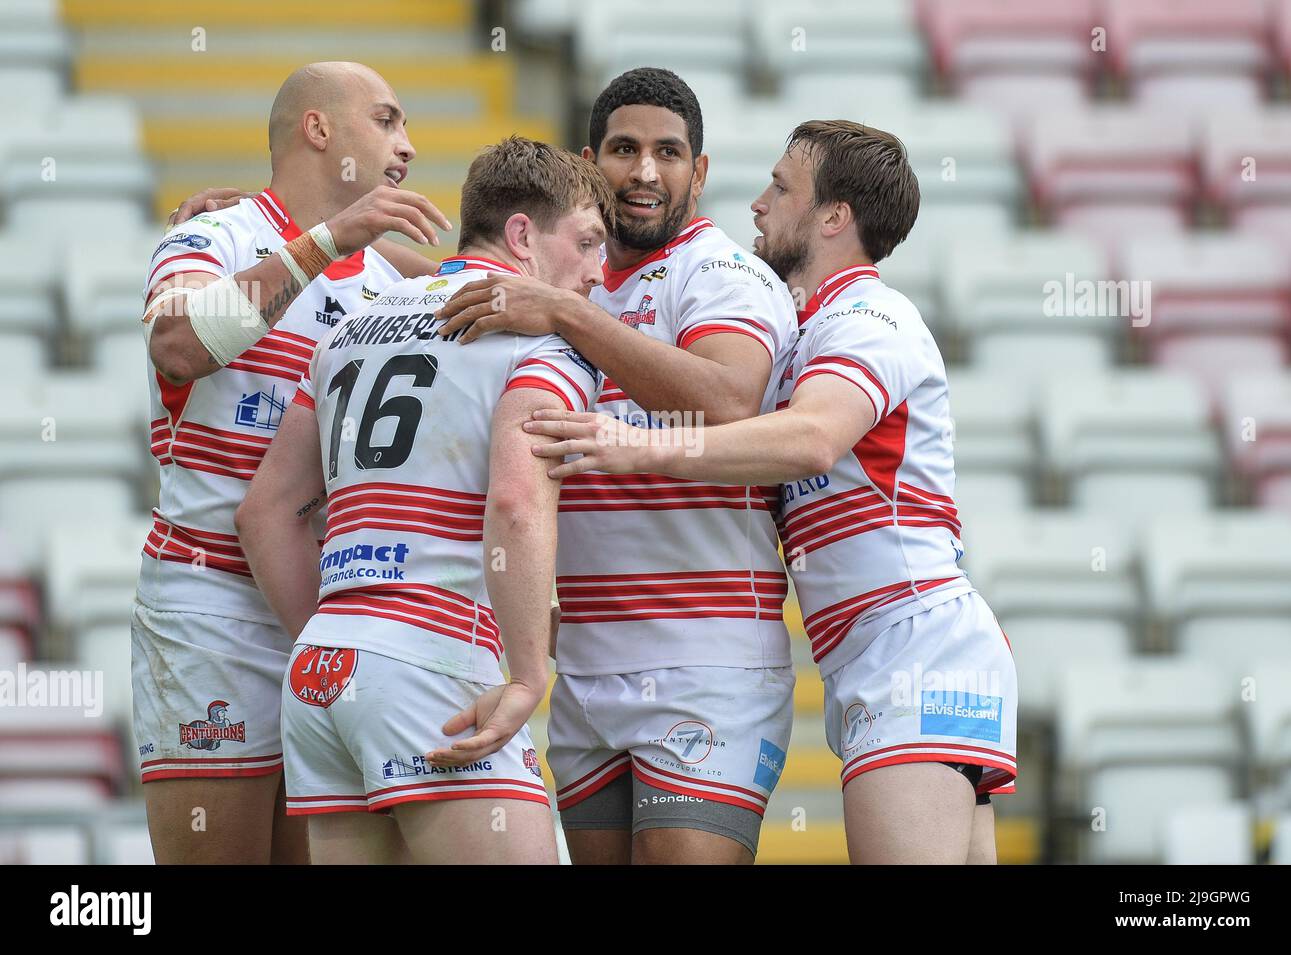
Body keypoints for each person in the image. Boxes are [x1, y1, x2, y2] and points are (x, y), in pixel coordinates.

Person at [523, 120, 1019, 865]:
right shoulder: (808, 326)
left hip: (915, 646)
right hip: (883, 650)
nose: (757, 204)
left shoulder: (869, 318)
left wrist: (636, 445)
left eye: (781, 187)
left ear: (833, 217)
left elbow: (813, 439)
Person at [435, 68, 799, 866]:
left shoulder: (720, 273)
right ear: (589, 160)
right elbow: (447, 272)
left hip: (703, 659)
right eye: (624, 149)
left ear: (698, 173)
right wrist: (272, 224)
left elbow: (731, 400)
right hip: (587, 665)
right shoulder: (571, 276)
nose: (643, 171)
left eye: (668, 153)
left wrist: (567, 314)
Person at [235, 136, 614, 864]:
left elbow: (261, 514)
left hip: (323, 666)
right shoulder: (539, 342)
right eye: (588, 243)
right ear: (523, 235)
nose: (598, 272)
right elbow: (515, 502)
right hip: (434, 662)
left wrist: (347, 639)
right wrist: (531, 673)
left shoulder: (348, 329)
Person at [133, 61, 449, 864]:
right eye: (386, 120)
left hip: (334, 606)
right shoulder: (210, 235)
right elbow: (177, 344)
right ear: (318, 129)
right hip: (215, 607)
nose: (406, 145)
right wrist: (325, 239)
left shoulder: (386, 278)